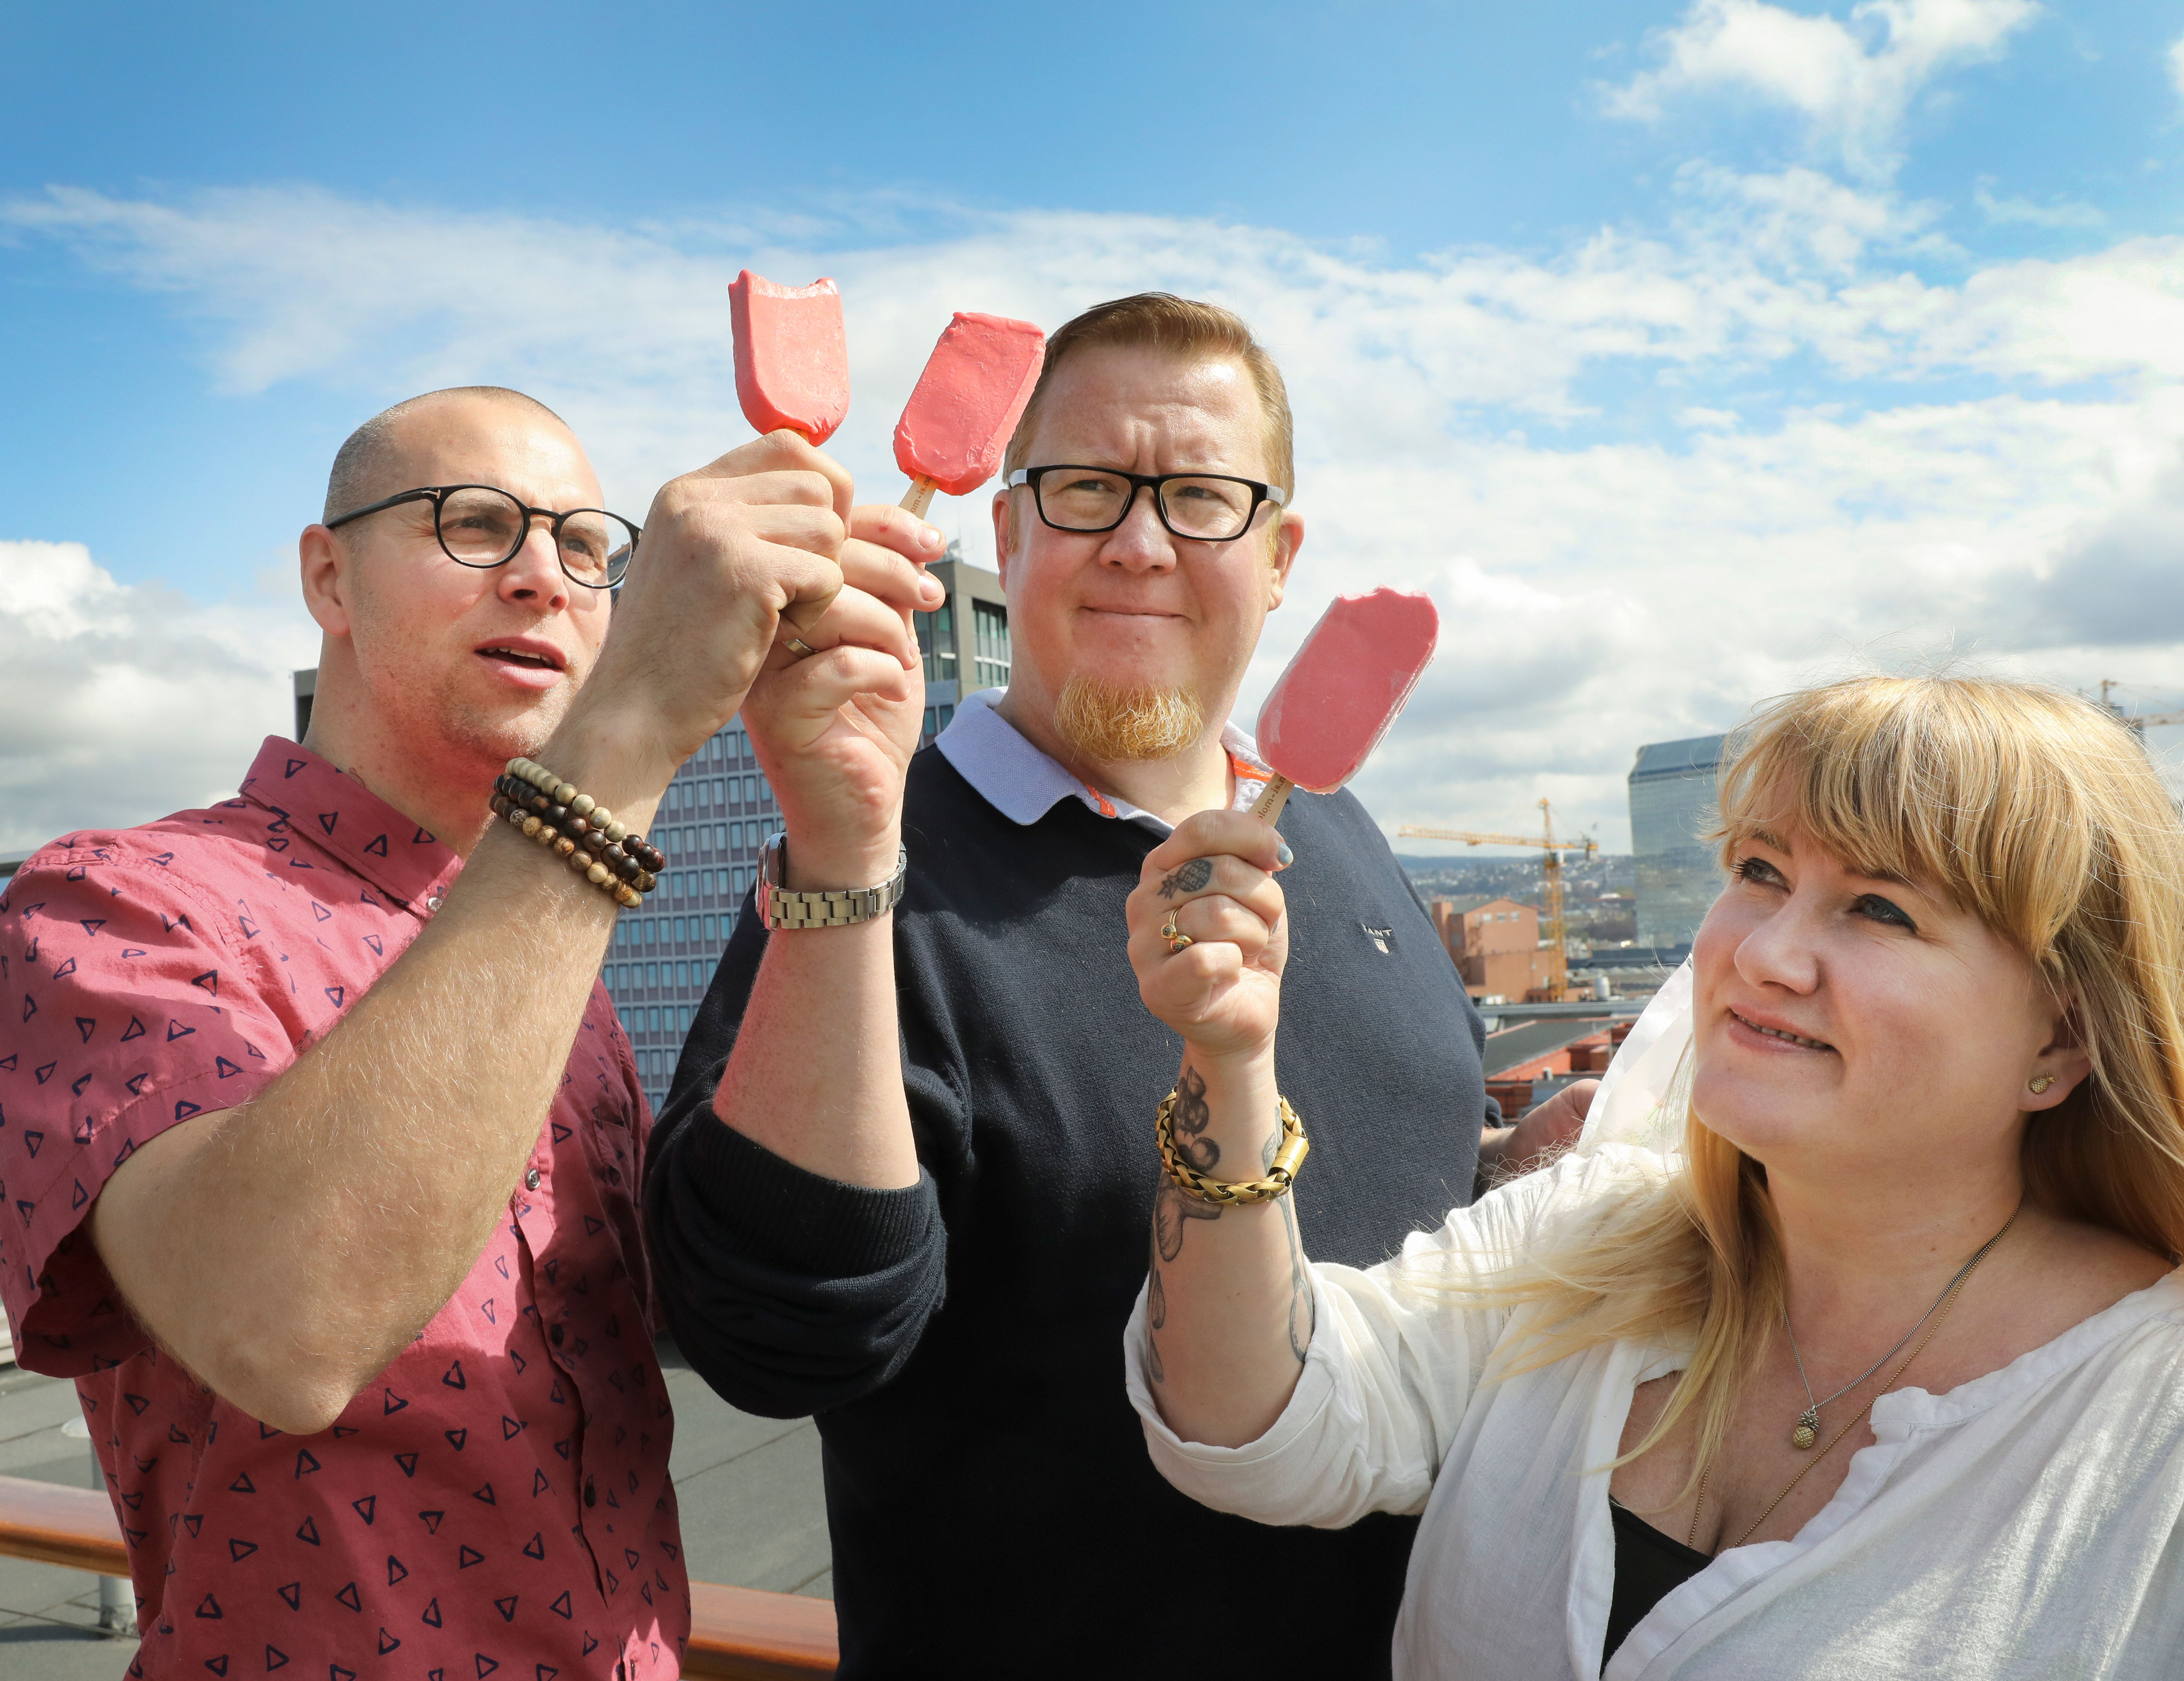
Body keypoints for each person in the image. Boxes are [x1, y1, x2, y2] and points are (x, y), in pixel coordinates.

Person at [644, 294, 1585, 1678]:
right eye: (1087, 489)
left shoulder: (1330, 828)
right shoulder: (868, 868)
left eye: (1202, 497)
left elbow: (1382, 1166)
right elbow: (776, 1340)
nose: (1141, 543)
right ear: (1009, 530)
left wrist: (1510, 1165)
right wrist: (842, 860)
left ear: (1279, 557)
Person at [0, 385, 942, 1680]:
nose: (543, 578)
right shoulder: (115, 906)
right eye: (474, 524)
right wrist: (632, 725)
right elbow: (287, 1328)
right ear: (329, 577)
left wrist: (846, 839)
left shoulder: (547, 940)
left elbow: (775, 1320)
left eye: (586, 548)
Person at [1125, 673, 2184, 1678]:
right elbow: (1253, 1429)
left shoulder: (2182, 1425)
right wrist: (1229, 1060)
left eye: (1882, 908)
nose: (1765, 954)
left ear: (2062, 1039)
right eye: (1760, 873)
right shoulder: (1585, 1232)